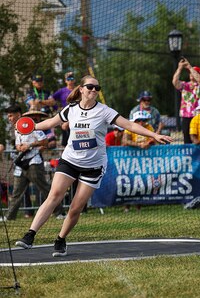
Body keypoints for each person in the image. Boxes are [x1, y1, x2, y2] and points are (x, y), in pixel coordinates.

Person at [15, 75, 173, 257]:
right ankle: (30, 235)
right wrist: (30, 127)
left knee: (75, 207)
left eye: (97, 88)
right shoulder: (71, 109)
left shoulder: (104, 111)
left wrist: (154, 136)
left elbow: (129, 124)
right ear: (81, 89)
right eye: (90, 87)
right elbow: (51, 122)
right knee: (54, 195)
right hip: (70, 160)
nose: (93, 90)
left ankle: (60, 239)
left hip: (93, 165)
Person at [0, 105, 64, 221]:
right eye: (8, 116)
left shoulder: (30, 124)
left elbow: (44, 141)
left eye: (10, 115)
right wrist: (19, 147)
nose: (9, 118)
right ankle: (9, 217)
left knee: (44, 189)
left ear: (18, 114)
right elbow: (20, 144)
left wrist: (29, 145)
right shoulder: (15, 128)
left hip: (34, 162)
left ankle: (60, 213)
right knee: (16, 192)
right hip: (21, 164)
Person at [122, 110, 156, 212]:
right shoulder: (129, 127)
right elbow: (125, 141)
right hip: (130, 159)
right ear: (135, 121)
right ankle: (126, 206)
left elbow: (153, 138)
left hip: (144, 159)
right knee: (129, 182)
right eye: (139, 120)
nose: (141, 122)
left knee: (141, 182)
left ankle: (138, 207)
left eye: (143, 120)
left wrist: (148, 142)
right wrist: (139, 145)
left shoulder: (149, 127)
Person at [172, 57, 200, 144]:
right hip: (186, 115)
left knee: (197, 138)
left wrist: (190, 67)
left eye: (194, 72)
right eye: (190, 73)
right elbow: (175, 82)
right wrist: (180, 68)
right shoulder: (185, 85)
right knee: (187, 139)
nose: (191, 74)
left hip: (198, 115)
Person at [51, 71, 76, 146]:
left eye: (72, 79)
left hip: (76, 114)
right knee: (65, 134)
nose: (70, 81)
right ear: (65, 81)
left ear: (74, 80)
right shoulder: (62, 91)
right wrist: (57, 109)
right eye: (68, 79)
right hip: (66, 115)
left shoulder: (78, 90)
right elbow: (51, 99)